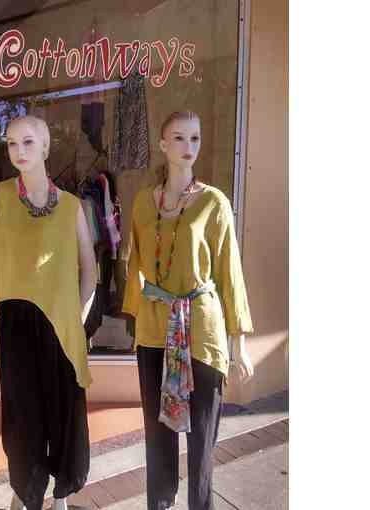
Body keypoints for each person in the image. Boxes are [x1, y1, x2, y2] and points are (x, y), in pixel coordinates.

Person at [123, 110, 255, 510]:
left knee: (201, 438)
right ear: (163, 145)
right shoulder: (144, 202)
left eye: (195, 138)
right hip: (154, 328)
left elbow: (230, 271)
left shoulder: (214, 202)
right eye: (179, 138)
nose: (188, 146)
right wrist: (133, 317)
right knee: (157, 433)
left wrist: (239, 342)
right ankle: (159, 504)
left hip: (201, 328)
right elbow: (134, 263)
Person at [0, 115, 97, 510]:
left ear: (46, 147)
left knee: (62, 414)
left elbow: (90, 269)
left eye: (28, 142)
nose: (19, 151)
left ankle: (60, 496)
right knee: (22, 419)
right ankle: (25, 492)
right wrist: (1, 310)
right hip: (14, 322)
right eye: (11, 143)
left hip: (61, 325)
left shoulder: (71, 206)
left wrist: (76, 319)